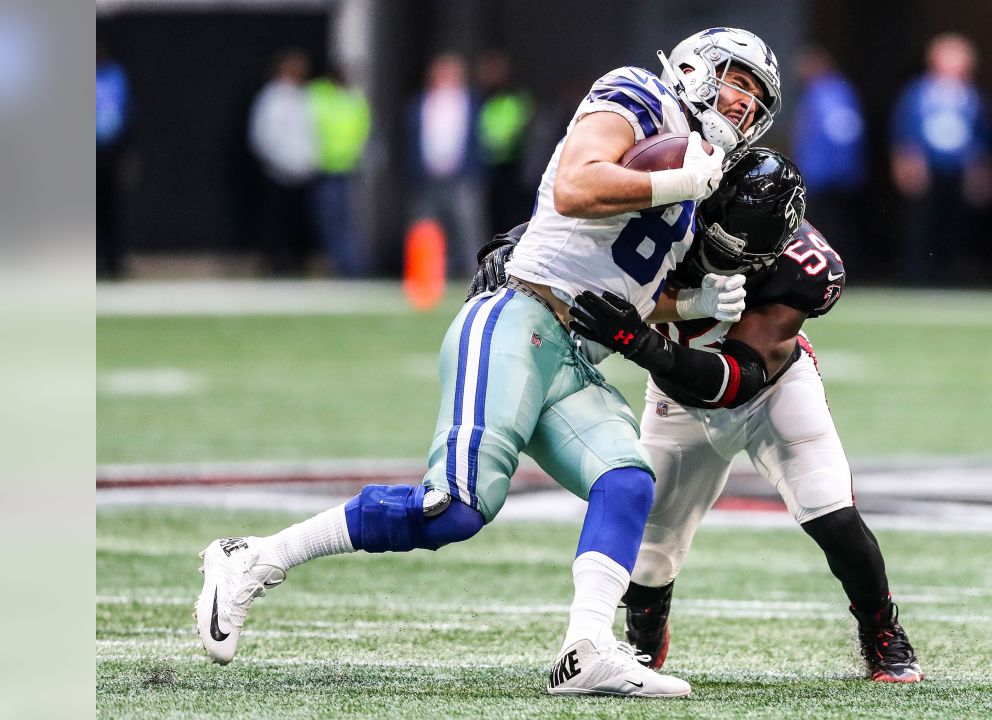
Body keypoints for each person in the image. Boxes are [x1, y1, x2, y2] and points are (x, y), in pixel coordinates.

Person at [195, 27, 783, 699]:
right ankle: (253, 558)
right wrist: (679, 180)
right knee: (455, 510)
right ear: (696, 66)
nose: (743, 102)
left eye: (757, 96)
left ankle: (586, 647)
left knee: (627, 479)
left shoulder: (699, 178)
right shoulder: (642, 95)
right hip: (517, 319)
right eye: (737, 80)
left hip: (572, 354)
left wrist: (692, 301)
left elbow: (625, 291)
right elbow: (575, 187)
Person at [480, 148, 922, 683]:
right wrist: (519, 245)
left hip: (771, 392)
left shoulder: (803, 269)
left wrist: (640, 342)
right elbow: (585, 222)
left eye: (734, 252)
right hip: (675, 400)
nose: (713, 254)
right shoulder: (680, 201)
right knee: (649, 554)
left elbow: (737, 379)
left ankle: (883, 631)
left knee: (832, 514)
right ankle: (643, 640)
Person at [890, 33, 992, 285]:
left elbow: (981, 136)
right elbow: (903, 131)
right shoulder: (918, 92)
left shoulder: (971, 95)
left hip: (957, 170)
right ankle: (916, 275)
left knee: (954, 224)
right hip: (925, 168)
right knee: (921, 223)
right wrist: (905, 163)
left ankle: (947, 273)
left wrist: (980, 172)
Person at [405, 53, 488, 279]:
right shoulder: (421, 102)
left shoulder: (471, 102)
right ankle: (426, 276)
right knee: (426, 228)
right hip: (428, 177)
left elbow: (478, 140)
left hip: (462, 176)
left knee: (467, 227)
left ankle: (475, 276)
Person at [791, 46, 866, 267]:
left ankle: (832, 267)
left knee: (829, 226)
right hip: (830, 173)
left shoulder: (829, 92)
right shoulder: (825, 91)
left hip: (828, 174)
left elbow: (841, 133)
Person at [249, 49, 316, 276]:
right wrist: (278, 161)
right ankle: (275, 264)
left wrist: (307, 160)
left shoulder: (304, 97)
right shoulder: (272, 98)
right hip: (278, 171)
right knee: (277, 221)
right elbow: (264, 135)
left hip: (301, 171)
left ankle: (297, 263)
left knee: (298, 222)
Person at [307, 65, 371, 277]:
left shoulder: (353, 99)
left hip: (345, 169)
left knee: (343, 221)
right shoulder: (320, 94)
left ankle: (348, 267)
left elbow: (362, 131)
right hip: (323, 167)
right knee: (330, 221)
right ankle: (339, 265)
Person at [476, 49, 536, 233]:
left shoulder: (517, 97)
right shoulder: (480, 99)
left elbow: (523, 130)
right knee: (488, 219)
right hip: (487, 170)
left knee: (511, 218)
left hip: (513, 169)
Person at [96, 42, 131, 279]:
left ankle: (114, 263)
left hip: (110, 154)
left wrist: (126, 154)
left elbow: (125, 115)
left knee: (111, 212)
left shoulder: (116, 78)